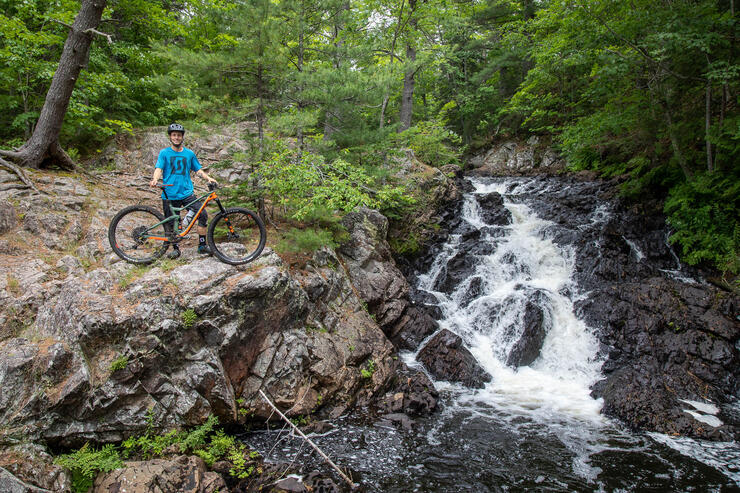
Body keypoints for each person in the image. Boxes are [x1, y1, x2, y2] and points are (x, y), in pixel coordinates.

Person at [149, 123, 217, 259]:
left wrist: (208, 178)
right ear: (170, 137)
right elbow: (159, 168)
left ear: (182, 137)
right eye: (174, 135)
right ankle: (175, 249)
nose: (176, 137)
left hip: (187, 192)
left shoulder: (189, 154)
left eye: (178, 135)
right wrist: (155, 179)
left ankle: (202, 246)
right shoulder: (164, 153)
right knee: (172, 224)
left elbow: (197, 170)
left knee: (202, 214)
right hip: (169, 193)